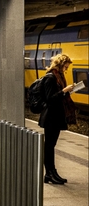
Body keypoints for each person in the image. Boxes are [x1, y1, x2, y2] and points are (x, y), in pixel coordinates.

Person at [38, 53, 76, 185]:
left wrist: (67, 91)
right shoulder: (50, 78)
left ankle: (52, 172)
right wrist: (64, 91)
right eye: (65, 66)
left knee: (51, 145)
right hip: (50, 118)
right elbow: (50, 99)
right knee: (49, 146)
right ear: (59, 65)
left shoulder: (58, 77)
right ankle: (49, 173)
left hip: (55, 117)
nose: (66, 69)